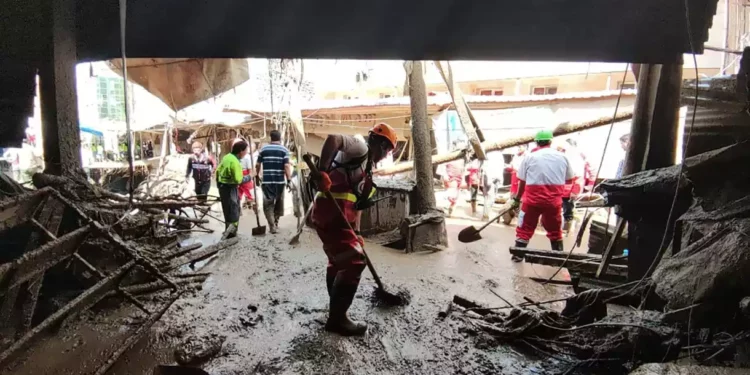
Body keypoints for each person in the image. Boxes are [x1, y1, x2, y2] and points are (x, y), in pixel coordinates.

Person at [311, 123, 397, 336]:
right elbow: (333, 138)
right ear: (380, 143)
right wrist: (322, 172)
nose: (386, 155)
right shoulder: (360, 147)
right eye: (387, 150)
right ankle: (338, 319)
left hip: (337, 217)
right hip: (331, 211)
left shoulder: (367, 170)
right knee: (355, 262)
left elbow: (359, 205)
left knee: (338, 262)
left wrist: (357, 233)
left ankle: (334, 311)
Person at [511, 129, 575, 260]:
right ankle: (558, 258)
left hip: (531, 201)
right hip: (553, 201)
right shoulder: (562, 157)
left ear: (536, 143)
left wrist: (517, 199)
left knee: (524, 228)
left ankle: (517, 256)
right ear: (550, 141)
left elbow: (521, 181)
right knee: (555, 230)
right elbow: (569, 179)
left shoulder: (529, 157)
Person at [255, 130, 293, 234]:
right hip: (280, 182)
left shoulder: (263, 149)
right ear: (280, 138)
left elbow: (258, 165)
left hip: (267, 181)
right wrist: (289, 179)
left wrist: (257, 176)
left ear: (270, 138)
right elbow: (286, 166)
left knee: (268, 203)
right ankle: (276, 222)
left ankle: (271, 226)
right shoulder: (284, 150)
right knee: (279, 202)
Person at [216, 140, 252, 238]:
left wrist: (219, 184)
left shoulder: (227, 157)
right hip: (230, 187)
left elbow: (218, 171)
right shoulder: (235, 162)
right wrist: (249, 177)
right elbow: (238, 180)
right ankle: (231, 234)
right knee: (233, 211)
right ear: (241, 151)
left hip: (223, 187)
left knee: (227, 210)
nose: (246, 153)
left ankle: (228, 230)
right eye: (245, 151)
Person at [238, 140, 256, 211]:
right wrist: (251, 177)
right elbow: (250, 169)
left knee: (239, 193)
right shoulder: (247, 156)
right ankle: (253, 206)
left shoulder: (239, 156)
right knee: (250, 193)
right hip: (245, 174)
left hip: (240, 174)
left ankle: (239, 207)